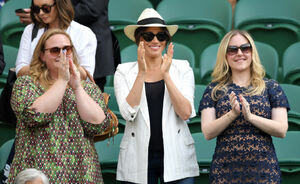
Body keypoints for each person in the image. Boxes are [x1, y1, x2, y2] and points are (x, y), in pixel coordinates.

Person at [8, 29, 111, 183]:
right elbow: (34, 116)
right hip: (36, 174)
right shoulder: (26, 84)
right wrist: (62, 81)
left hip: (82, 174)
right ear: (42, 55)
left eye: (67, 49)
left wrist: (77, 87)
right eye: (55, 50)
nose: (62, 54)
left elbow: (99, 124)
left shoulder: (87, 88)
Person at [114, 8, 199, 184]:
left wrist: (166, 75)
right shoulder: (123, 71)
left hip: (177, 156)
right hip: (137, 157)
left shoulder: (183, 68)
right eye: (148, 35)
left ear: (166, 40)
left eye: (161, 36)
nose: (155, 40)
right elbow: (128, 112)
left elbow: (185, 113)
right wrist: (141, 73)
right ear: (139, 40)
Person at [198, 30, 289, 183]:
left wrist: (251, 117)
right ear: (225, 56)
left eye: (245, 48)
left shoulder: (271, 87)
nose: (239, 53)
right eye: (232, 50)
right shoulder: (214, 90)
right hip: (225, 171)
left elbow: (281, 129)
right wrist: (232, 115)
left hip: (264, 171)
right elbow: (207, 132)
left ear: (252, 52)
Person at [16, 0, 97, 79]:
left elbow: (86, 76)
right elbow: (20, 71)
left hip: (70, 90)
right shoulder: (30, 30)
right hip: (36, 90)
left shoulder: (84, 33)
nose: (41, 13)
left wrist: (44, 65)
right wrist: (53, 64)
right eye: (36, 9)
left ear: (60, 4)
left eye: (46, 8)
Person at [71, 0, 119, 91]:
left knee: (93, 100)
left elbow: (91, 9)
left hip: (95, 48)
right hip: (69, 44)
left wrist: (60, 12)